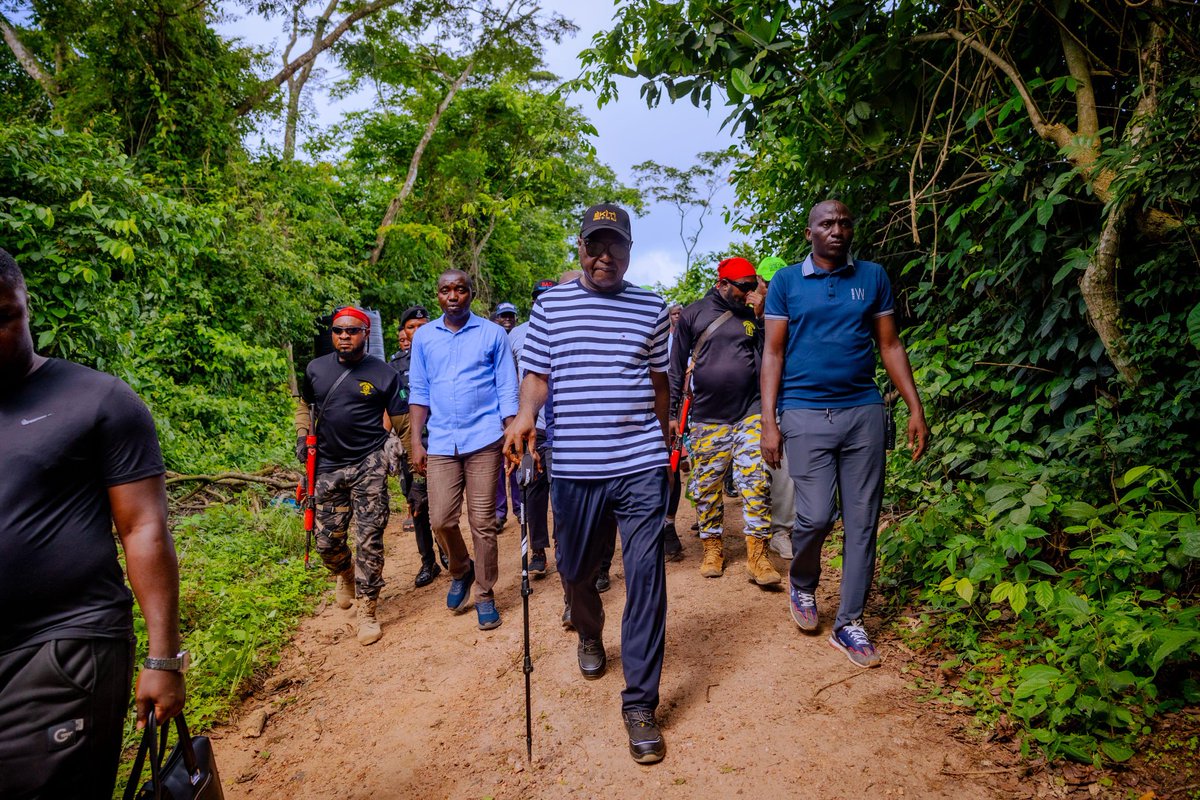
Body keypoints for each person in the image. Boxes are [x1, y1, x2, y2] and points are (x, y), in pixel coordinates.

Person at [0, 248, 185, 798]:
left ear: (28, 309)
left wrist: (163, 658)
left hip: (61, 649)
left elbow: (143, 529)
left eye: (3, 318)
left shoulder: (95, 399)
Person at [504, 203, 672, 764]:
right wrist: (526, 415)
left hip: (640, 461)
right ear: (579, 247)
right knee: (576, 573)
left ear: (629, 250)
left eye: (615, 246)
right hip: (575, 466)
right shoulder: (551, 304)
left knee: (646, 576)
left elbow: (658, 380)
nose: (605, 256)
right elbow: (537, 376)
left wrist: (665, 434)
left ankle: (640, 703)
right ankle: (589, 631)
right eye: (595, 245)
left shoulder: (651, 307)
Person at [760, 200, 929, 668]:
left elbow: (889, 343)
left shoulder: (872, 277)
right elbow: (772, 355)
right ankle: (803, 582)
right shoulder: (787, 282)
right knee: (814, 516)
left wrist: (915, 406)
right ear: (810, 231)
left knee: (862, 522)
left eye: (844, 222)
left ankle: (850, 622)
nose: (837, 230)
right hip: (804, 412)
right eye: (827, 223)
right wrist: (769, 420)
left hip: (863, 412)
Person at [409, 270, 519, 631]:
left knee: (484, 523)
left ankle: (486, 594)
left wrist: (512, 436)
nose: (453, 296)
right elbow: (420, 391)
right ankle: (461, 569)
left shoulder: (492, 335)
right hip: (441, 441)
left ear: (472, 294)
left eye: (460, 289)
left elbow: (506, 388)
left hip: (485, 439)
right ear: (437, 296)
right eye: (445, 290)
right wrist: (415, 441)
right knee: (440, 518)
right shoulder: (424, 337)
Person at [297, 305, 409, 646]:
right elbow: (304, 405)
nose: (344, 336)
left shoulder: (384, 373)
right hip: (328, 467)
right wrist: (303, 435)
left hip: (369, 463)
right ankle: (345, 573)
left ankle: (368, 609)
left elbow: (402, 422)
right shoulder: (315, 369)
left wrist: (409, 463)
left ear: (365, 334)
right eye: (338, 331)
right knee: (327, 543)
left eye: (352, 331)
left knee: (369, 539)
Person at [670, 256, 780, 586]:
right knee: (706, 487)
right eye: (743, 286)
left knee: (756, 483)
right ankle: (712, 547)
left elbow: (768, 360)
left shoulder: (754, 312)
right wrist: (673, 416)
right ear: (722, 284)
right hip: (707, 417)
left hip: (749, 412)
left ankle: (758, 556)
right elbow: (676, 367)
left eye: (753, 285)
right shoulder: (694, 313)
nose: (750, 291)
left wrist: (760, 318)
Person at [388, 305, 445, 588]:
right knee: (417, 504)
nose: (417, 333)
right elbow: (387, 407)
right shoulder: (394, 365)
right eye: (411, 327)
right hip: (411, 444)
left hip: (441, 437)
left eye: (423, 326)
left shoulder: (443, 354)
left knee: (442, 502)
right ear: (404, 332)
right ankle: (428, 561)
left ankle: (447, 548)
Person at [507, 279, 558, 577]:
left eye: (549, 297)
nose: (544, 302)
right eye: (539, 297)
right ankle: (537, 549)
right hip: (531, 425)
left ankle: (563, 543)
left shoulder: (569, 325)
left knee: (562, 489)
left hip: (563, 425)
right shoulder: (517, 333)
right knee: (531, 488)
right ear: (533, 301)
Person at [755, 255, 796, 560]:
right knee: (762, 470)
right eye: (764, 283)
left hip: (788, 398)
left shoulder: (792, 305)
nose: (768, 289)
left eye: (773, 283)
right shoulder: (744, 312)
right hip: (751, 403)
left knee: (785, 470)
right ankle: (761, 532)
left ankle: (782, 529)